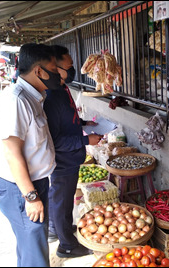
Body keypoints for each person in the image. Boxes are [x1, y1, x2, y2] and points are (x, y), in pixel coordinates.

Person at [0, 43, 60, 267]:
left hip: (35, 184)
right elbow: (12, 152)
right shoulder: (18, 100)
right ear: (39, 71)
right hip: (22, 190)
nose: (58, 73)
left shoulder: (34, 97)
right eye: (54, 68)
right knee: (35, 256)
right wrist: (31, 198)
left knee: (32, 248)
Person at [43, 45, 102, 258]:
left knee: (62, 200)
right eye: (68, 67)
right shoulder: (50, 97)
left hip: (71, 157)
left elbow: (68, 120)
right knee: (62, 202)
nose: (72, 71)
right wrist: (86, 139)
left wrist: (83, 123)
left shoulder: (62, 88)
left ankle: (58, 232)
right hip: (63, 160)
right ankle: (66, 246)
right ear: (55, 68)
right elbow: (55, 139)